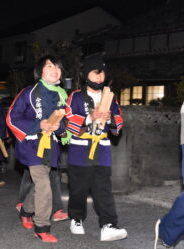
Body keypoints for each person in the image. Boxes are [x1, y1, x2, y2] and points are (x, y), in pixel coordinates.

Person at [65, 54, 127, 241]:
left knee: (103, 188)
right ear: (86, 75)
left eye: (102, 74)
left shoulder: (110, 97)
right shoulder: (75, 96)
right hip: (79, 148)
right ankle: (76, 217)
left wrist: (110, 119)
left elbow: (118, 123)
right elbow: (67, 121)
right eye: (95, 73)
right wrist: (88, 118)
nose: (99, 77)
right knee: (78, 188)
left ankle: (108, 224)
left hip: (102, 148)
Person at [6, 55, 68, 243]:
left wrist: (60, 128)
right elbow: (11, 118)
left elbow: (65, 121)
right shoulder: (29, 92)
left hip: (51, 145)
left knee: (40, 185)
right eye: (49, 66)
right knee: (44, 186)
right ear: (40, 71)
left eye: (57, 67)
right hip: (32, 144)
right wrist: (38, 125)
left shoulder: (61, 94)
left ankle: (25, 211)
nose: (54, 69)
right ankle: (41, 227)